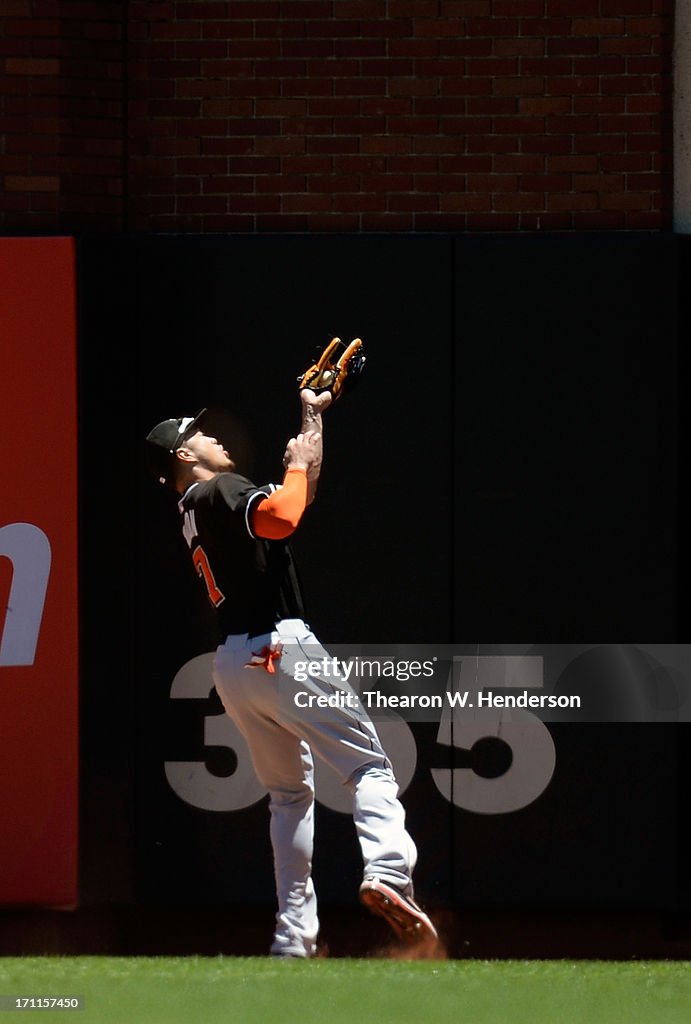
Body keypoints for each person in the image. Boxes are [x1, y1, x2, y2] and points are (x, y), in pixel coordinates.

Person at [145, 389, 438, 958]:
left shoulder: (194, 509)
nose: (216, 436)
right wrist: (297, 469)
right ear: (183, 455)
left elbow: (290, 501)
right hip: (279, 648)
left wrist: (311, 422)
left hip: (234, 665)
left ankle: (293, 939)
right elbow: (282, 517)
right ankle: (388, 873)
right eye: (201, 433)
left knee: (287, 796)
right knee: (370, 769)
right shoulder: (219, 489)